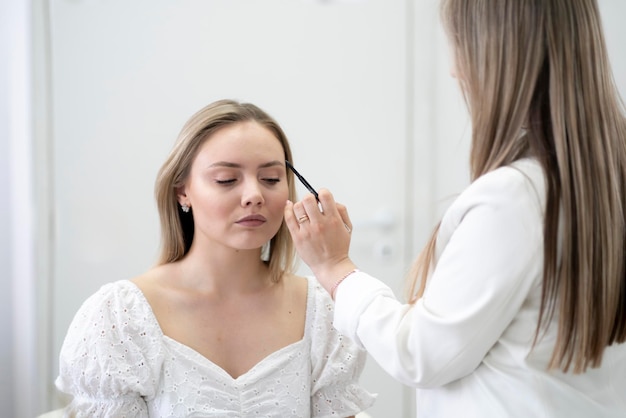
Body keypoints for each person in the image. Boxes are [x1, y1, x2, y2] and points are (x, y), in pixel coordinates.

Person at [284, 0, 626, 417]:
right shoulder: (599, 179)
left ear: (500, 54)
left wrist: (336, 268)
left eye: (462, 47)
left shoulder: (515, 198)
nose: (454, 70)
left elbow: (421, 353)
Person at [55, 99, 375, 417]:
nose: (254, 195)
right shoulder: (120, 316)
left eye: (271, 179)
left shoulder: (322, 312)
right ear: (183, 192)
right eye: (226, 179)